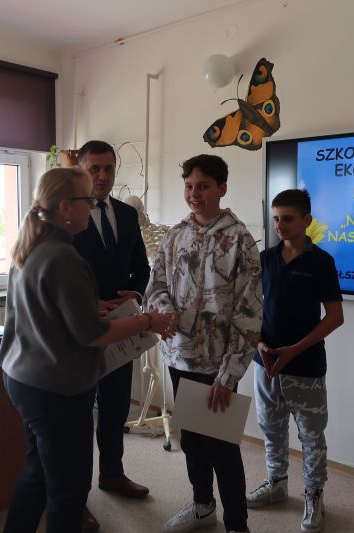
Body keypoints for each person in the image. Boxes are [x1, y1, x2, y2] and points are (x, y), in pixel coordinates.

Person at [0, 167, 172, 533]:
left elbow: (44, 309)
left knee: (38, 474)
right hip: (55, 389)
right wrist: (146, 321)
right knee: (69, 490)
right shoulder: (64, 257)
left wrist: (88, 307)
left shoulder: (30, 246)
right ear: (65, 208)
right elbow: (92, 335)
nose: (93, 206)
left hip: (24, 378)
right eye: (87, 200)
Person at [145, 154, 262, 533]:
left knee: (222, 448)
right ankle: (202, 506)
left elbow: (249, 312)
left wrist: (229, 375)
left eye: (203, 186)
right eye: (189, 186)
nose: (194, 194)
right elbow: (156, 285)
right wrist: (164, 309)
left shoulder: (239, 239)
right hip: (179, 356)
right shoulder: (175, 236)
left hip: (217, 365)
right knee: (192, 442)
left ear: (222, 188)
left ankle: (237, 525)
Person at [245, 189, 344, 533]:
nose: (280, 225)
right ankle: (276, 484)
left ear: (306, 220)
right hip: (266, 364)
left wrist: (294, 349)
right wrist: (258, 342)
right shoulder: (264, 258)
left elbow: (335, 317)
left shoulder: (321, 262)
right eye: (276, 219)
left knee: (311, 437)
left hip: (305, 366)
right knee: (271, 429)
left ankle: (314, 495)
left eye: (287, 218)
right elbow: (250, 308)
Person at [71, 140, 152, 530]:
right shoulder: (67, 214)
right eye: (95, 169)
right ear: (81, 170)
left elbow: (142, 266)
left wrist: (135, 293)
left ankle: (113, 474)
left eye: (109, 168)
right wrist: (89, 303)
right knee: (79, 419)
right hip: (81, 331)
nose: (103, 176)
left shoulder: (127, 213)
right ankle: (77, 499)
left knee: (116, 408)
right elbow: (60, 275)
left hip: (122, 326)